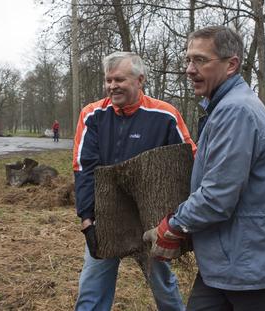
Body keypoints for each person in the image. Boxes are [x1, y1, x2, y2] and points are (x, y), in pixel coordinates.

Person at [144, 26, 265, 310]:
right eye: (188, 60)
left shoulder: (235, 111)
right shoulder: (224, 106)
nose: (190, 69)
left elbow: (217, 196)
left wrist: (173, 226)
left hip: (252, 269)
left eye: (200, 60)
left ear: (231, 65)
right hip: (229, 263)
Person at [73, 51, 196, 311]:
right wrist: (87, 218)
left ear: (140, 80)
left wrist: (180, 218)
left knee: (162, 283)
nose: (112, 86)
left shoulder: (165, 115)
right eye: (108, 80)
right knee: (92, 286)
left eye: (119, 79)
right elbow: (83, 167)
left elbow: (189, 161)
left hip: (150, 217)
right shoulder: (92, 115)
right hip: (106, 216)